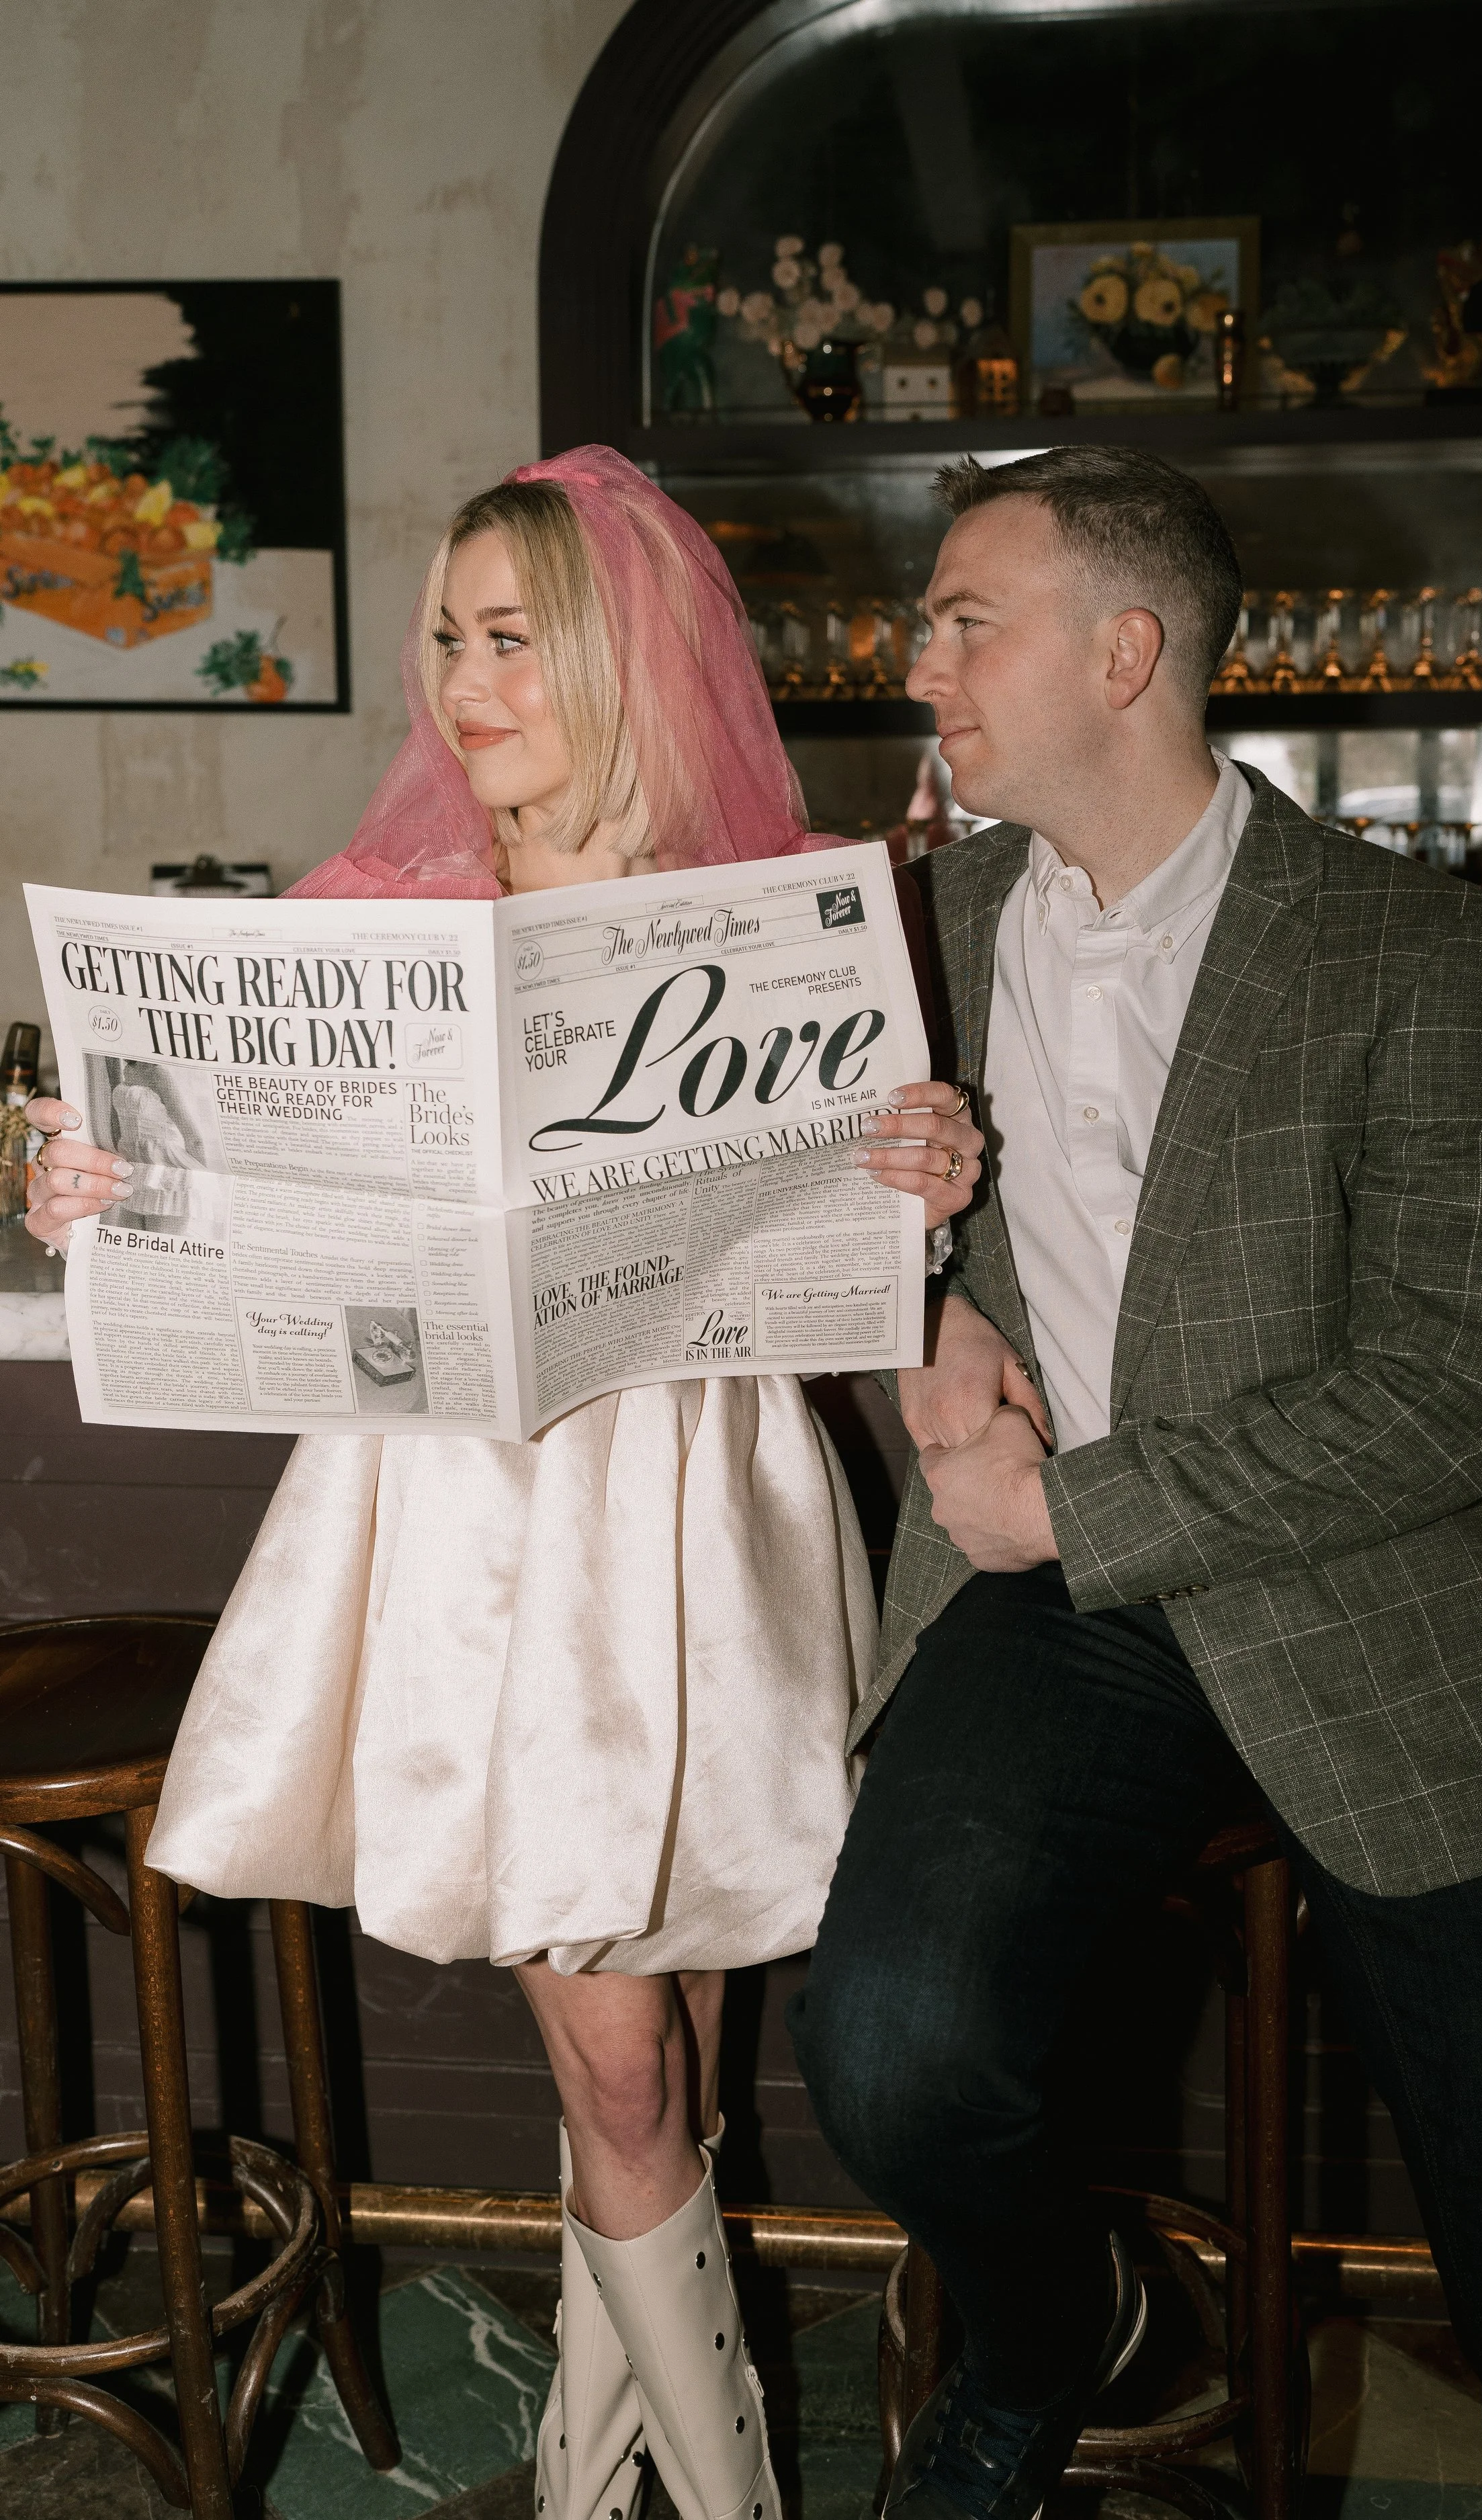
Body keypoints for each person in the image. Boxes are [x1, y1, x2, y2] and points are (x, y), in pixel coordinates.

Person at [25, 446, 984, 2520]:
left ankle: (580, 2467)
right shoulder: (372, 923)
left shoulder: (775, 907)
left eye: (509, 637)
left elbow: (850, 1281)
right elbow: (205, 1204)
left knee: (676, 2054)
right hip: (464, 1521)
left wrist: (920, 1181)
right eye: (445, 637)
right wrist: (94, 1180)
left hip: (691, 1507)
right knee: (624, 2059)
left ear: (629, 654)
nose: (461, 682)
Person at [788, 445, 1482, 2520]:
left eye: (960, 618)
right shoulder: (921, 919)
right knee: (892, 2063)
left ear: (1124, 650)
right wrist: (920, 1314)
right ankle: (1045, 2328)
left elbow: (1432, 1404)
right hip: (1057, 1616)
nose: (919, 661)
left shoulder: (1418, 953)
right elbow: (849, 1228)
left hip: (1373, 1604)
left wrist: (1070, 1510)